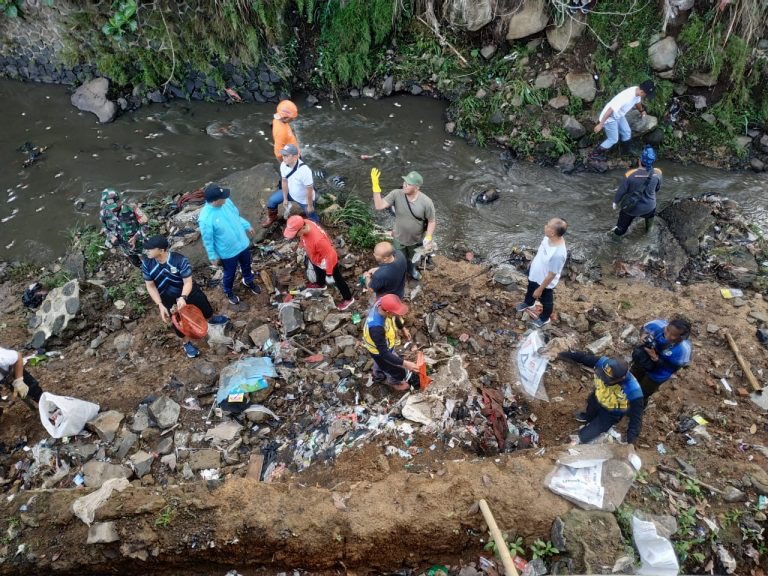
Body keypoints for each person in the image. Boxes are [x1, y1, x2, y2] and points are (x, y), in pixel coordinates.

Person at [142, 235, 226, 359]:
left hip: (188, 291)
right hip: (167, 297)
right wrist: (160, 304)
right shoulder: (147, 264)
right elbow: (151, 286)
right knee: (178, 322)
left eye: (150, 249)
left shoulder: (179, 260)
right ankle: (187, 343)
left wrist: (183, 297)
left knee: (204, 307)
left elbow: (187, 282)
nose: (147, 251)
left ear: (161, 250)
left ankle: (210, 319)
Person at [558, 352, 644, 445]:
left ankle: (583, 436)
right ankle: (587, 417)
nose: (603, 379)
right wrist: (562, 353)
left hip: (611, 413)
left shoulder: (634, 391)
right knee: (591, 407)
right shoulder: (605, 364)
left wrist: (630, 441)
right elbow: (584, 357)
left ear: (622, 378)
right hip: (597, 398)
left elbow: (636, 419)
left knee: (585, 435)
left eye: (608, 379)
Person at [198, 183, 261, 305]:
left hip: (242, 244)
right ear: (215, 201)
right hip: (228, 252)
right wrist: (212, 256)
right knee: (229, 274)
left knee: (247, 264)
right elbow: (208, 240)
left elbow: (236, 216)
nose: (226, 198)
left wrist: (246, 225)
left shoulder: (226, 202)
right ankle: (228, 291)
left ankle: (248, 280)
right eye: (223, 197)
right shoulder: (205, 219)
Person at [370, 167, 436, 281]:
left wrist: (429, 237)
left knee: (412, 258)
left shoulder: (426, 202)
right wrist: (376, 187)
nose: (405, 185)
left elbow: (431, 221)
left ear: (417, 187)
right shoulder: (396, 194)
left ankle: (411, 270)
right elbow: (379, 206)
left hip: (415, 238)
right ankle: (401, 272)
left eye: (409, 184)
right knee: (400, 258)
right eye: (404, 182)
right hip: (398, 236)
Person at [283, 215, 355, 311]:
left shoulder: (318, 240)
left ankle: (348, 298)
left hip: (326, 261)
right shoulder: (305, 222)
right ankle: (320, 284)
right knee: (318, 270)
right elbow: (303, 237)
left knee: (338, 279)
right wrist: (301, 244)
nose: (294, 236)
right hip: (315, 257)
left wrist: (329, 273)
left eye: (295, 234)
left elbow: (331, 255)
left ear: (302, 228)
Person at [515, 218, 568, 328]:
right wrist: (532, 264)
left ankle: (544, 318)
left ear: (552, 232)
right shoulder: (548, 238)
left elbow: (552, 274)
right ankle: (529, 303)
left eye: (547, 225)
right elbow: (540, 253)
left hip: (544, 282)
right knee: (530, 289)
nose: (545, 226)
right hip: (534, 273)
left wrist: (540, 289)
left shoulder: (558, 254)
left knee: (546, 301)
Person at [631, 316, 692, 405]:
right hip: (642, 360)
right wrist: (643, 336)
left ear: (682, 337)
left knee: (643, 392)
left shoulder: (683, 350)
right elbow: (644, 329)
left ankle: (636, 407)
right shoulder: (656, 325)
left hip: (657, 373)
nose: (667, 336)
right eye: (667, 330)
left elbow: (672, 368)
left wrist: (656, 358)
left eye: (673, 335)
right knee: (631, 380)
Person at [590, 80, 656, 161]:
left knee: (627, 132)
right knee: (613, 139)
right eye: (646, 94)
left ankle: (624, 154)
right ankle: (594, 154)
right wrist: (601, 124)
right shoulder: (626, 97)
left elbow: (637, 102)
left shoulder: (637, 92)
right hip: (609, 117)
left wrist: (642, 111)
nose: (646, 96)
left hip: (619, 115)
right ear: (642, 92)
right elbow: (610, 110)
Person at [362, 294, 417, 391]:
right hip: (378, 351)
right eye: (395, 312)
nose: (399, 314)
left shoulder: (382, 302)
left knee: (381, 362)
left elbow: (395, 317)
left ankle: (377, 373)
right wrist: (405, 363)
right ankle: (394, 382)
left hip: (382, 345)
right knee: (396, 370)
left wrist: (402, 328)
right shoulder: (377, 328)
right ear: (387, 312)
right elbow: (384, 353)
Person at [261, 144, 318, 227]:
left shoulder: (305, 171)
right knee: (272, 201)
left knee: (312, 215)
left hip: (303, 199)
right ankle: (272, 218)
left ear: (295, 157)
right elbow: (284, 181)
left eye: (286, 155)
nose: (283, 157)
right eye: (283, 155)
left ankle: (316, 227)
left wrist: (310, 205)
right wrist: (285, 198)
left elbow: (309, 190)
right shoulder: (283, 165)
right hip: (290, 193)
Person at [611, 145, 662, 236]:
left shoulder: (630, 175)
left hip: (631, 208)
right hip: (649, 207)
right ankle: (649, 230)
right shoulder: (658, 173)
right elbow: (657, 188)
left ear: (640, 160)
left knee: (621, 227)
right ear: (653, 161)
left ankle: (617, 236)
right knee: (650, 218)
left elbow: (621, 191)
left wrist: (615, 202)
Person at [99, 188, 148, 267]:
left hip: (140, 243)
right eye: (109, 207)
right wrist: (111, 236)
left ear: (119, 201)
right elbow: (105, 227)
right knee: (135, 261)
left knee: (146, 260)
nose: (112, 209)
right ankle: (140, 267)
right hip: (124, 245)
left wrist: (136, 237)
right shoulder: (103, 213)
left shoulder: (132, 208)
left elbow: (145, 226)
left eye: (114, 206)